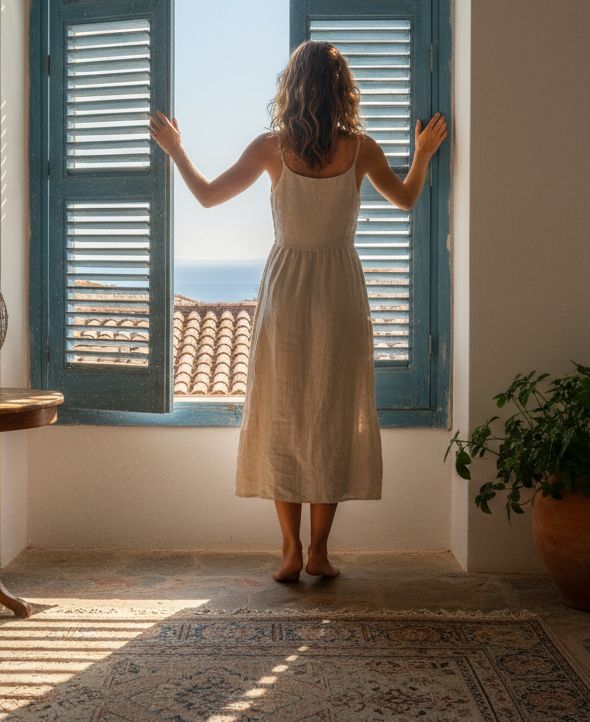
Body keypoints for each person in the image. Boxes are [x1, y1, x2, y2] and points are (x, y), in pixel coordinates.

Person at [148, 41, 448, 582]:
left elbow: (209, 196)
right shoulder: (361, 150)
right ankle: (320, 553)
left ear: (292, 89)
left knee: (283, 413)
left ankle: (288, 550)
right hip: (338, 290)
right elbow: (406, 198)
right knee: (332, 415)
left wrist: (175, 148)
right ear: (342, 91)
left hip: (286, 288)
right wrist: (423, 152)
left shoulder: (271, 147)